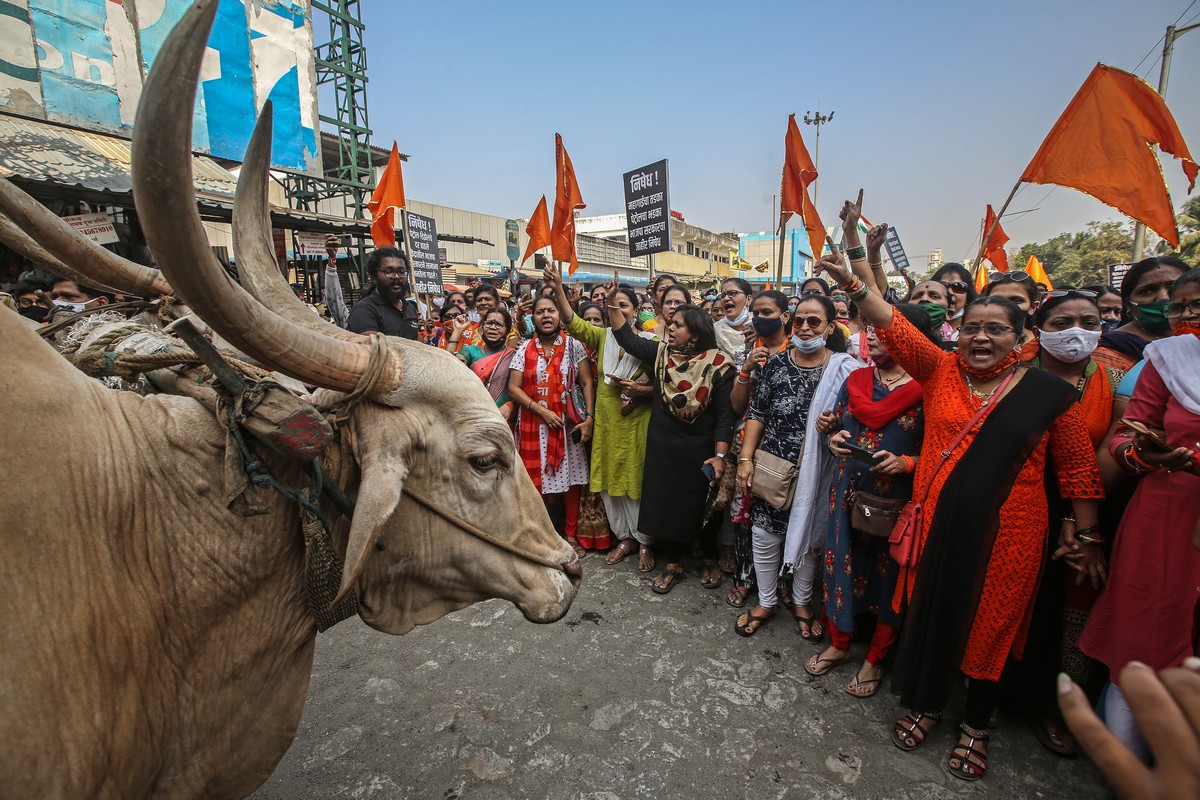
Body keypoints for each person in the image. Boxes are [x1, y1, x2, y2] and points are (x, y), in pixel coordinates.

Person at [818, 192, 1103, 782]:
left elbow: (1078, 468)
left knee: (991, 623)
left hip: (1014, 533)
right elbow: (885, 317)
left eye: (995, 329)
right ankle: (924, 702)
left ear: (1022, 337)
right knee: (931, 612)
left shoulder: (1050, 393)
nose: (980, 337)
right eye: (971, 327)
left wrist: (1086, 533)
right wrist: (852, 259)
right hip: (937, 521)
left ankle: (975, 724)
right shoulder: (940, 368)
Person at [1078, 266, 1200, 764]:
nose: (1188, 314)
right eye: (1180, 307)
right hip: (1167, 516)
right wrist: (1148, 457)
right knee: (1152, 631)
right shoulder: (1165, 362)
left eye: (1198, 304)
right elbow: (1127, 437)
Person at [1011, 288, 1127, 756]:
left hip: (1088, 509)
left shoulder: (1119, 376)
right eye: (1062, 322)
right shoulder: (1012, 367)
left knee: (1068, 607)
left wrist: (1081, 524)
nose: (1075, 331)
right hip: (1015, 499)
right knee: (1012, 599)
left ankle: (1053, 706)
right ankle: (993, 691)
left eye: (1088, 319)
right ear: (1039, 327)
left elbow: (1110, 449)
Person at [811, 304, 936, 696]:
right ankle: (840, 642)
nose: (874, 334)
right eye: (870, 327)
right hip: (848, 490)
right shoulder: (858, 379)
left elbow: (944, 447)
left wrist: (907, 462)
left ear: (910, 338)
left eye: (883, 328)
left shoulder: (932, 386)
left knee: (890, 577)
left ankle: (875, 659)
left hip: (899, 500)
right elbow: (844, 426)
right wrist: (833, 438)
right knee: (841, 562)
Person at [732, 293, 856, 638]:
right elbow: (757, 413)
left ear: (830, 326)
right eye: (799, 320)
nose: (804, 327)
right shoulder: (776, 364)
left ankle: (802, 601)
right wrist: (745, 459)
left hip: (822, 469)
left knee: (812, 539)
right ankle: (767, 601)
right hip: (773, 466)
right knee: (765, 535)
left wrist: (836, 424)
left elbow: (855, 421)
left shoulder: (845, 370)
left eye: (814, 321)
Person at [608, 300, 736, 593]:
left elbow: (724, 416)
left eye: (678, 324)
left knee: (701, 503)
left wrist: (719, 455)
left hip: (700, 447)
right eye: (671, 322)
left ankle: (707, 556)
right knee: (666, 501)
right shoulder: (661, 354)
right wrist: (611, 304)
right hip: (663, 446)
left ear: (694, 333)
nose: (670, 327)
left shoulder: (719, 363)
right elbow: (626, 337)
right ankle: (673, 562)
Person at [545, 269, 656, 570]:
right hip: (606, 422)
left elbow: (664, 385)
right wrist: (557, 289)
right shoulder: (602, 337)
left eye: (624, 306)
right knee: (608, 483)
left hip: (636, 422)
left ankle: (645, 541)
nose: (618, 310)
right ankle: (626, 538)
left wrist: (641, 390)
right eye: (613, 306)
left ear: (635, 311)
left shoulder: (649, 342)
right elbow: (573, 322)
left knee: (637, 481)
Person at [508, 295, 596, 557]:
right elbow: (514, 388)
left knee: (571, 482)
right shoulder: (524, 348)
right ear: (531, 317)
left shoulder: (573, 346)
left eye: (551, 311)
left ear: (560, 315)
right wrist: (541, 410)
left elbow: (587, 382)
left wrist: (589, 417)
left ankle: (570, 535)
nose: (546, 316)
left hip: (567, 425)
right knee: (537, 485)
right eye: (540, 312)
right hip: (536, 425)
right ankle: (543, 535)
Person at [726, 290, 796, 608]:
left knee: (784, 514)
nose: (758, 318)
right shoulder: (749, 351)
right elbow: (737, 405)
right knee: (745, 515)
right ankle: (744, 577)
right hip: (749, 445)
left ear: (784, 316)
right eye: (755, 312)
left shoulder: (798, 351)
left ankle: (782, 581)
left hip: (785, 448)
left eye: (766, 312)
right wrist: (746, 370)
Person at [1093, 256, 1188, 372]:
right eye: (1147, 291)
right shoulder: (1108, 354)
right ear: (1128, 305)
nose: (1164, 297)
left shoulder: (1194, 340)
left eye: (1173, 287)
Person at [453, 306, 517, 420]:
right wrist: (458, 331)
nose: (493, 327)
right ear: (482, 327)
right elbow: (449, 369)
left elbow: (522, 388)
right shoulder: (470, 352)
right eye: (489, 323)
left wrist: (510, 405)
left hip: (503, 418)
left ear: (508, 330)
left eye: (499, 324)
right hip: (473, 416)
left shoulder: (514, 355)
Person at [347, 248, 420, 339]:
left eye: (401, 272)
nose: (396, 277)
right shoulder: (364, 310)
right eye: (388, 271)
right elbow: (373, 349)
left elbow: (416, 343)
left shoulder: (410, 308)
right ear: (373, 276)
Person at [981, 271, 1040, 361]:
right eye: (997, 299)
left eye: (1016, 300)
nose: (1006, 306)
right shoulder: (973, 341)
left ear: (1032, 307)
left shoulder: (1044, 349)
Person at [931, 263, 977, 339]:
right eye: (943, 286)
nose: (950, 292)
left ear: (968, 295)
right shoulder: (918, 327)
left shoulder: (976, 331)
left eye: (958, 287)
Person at [716, 277, 755, 361]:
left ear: (748, 299)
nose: (726, 298)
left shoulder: (760, 326)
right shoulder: (714, 330)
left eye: (732, 293)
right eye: (723, 295)